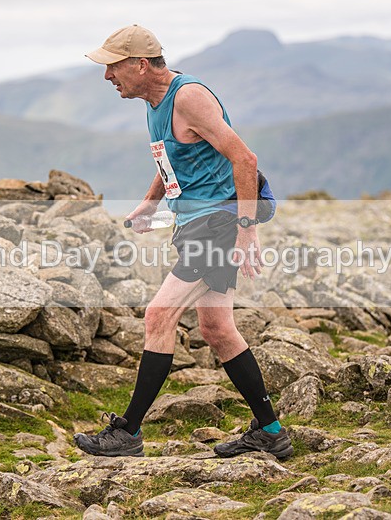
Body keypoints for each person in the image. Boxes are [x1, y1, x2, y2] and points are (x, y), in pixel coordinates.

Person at [74, 25, 293, 460]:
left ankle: (128, 433)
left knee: (158, 316)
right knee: (217, 330)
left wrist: (246, 230)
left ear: (140, 64)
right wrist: (148, 203)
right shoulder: (154, 103)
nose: (106, 77)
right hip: (196, 222)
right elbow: (172, 158)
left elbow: (244, 158)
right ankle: (270, 432)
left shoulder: (188, 96)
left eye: (112, 67)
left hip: (218, 222)